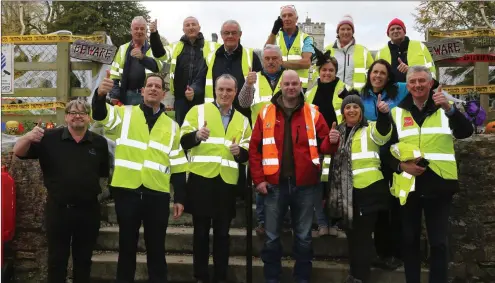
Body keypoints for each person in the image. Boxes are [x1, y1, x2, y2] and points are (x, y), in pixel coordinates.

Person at [93, 72, 188, 283]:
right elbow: (100, 114)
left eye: (158, 86)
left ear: (163, 94)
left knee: (157, 248)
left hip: (157, 194)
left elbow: (179, 165)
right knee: (127, 246)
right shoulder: (124, 114)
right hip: (127, 191)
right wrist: (100, 96)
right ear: (142, 91)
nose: (153, 88)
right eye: (149, 85)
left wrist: (180, 197)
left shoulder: (173, 127)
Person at [384, 66, 473, 283]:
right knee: (409, 240)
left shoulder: (444, 108)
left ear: (431, 83)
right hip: (409, 185)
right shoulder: (397, 112)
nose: (417, 85)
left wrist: (450, 110)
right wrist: (401, 167)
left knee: (438, 243)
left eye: (422, 81)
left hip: (440, 184)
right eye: (412, 81)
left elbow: (466, 132)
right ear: (408, 85)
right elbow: (386, 151)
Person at [249, 70, 338, 283]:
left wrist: (333, 140)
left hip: (306, 185)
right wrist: (259, 179)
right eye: (287, 83)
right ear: (281, 85)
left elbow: (325, 145)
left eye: (294, 84)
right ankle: (272, 279)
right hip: (273, 185)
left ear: (300, 86)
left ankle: (302, 279)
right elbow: (255, 149)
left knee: (304, 238)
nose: (291, 87)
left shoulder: (313, 112)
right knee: (271, 238)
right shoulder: (265, 112)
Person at [13, 99, 109, 283]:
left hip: (88, 211)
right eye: (73, 112)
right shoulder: (49, 138)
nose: (77, 116)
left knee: (84, 260)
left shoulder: (99, 143)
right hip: (58, 210)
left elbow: (103, 175)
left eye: (82, 112)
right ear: (66, 117)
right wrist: (27, 137)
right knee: (57, 259)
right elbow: (19, 152)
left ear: (88, 118)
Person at [180, 74, 251, 283]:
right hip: (200, 180)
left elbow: (248, 153)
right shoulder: (197, 110)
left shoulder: (243, 120)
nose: (225, 93)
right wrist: (196, 136)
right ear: (215, 90)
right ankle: (200, 276)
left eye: (229, 90)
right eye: (221, 89)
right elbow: (182, 141)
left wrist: (240, 152)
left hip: (226, 183)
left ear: (235, 93)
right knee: (200, 233)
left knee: (222, 235)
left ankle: (221, 276)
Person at [327, 91, 392, 283]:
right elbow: (328, 157)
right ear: (343, 111)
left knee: (362, 238)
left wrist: (382, 115)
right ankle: (355, 275)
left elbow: (383, 134)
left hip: (369, 191)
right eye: (348, 107)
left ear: (362, 112)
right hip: (346, 194)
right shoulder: (337, 132)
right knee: (352, 238)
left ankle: (359, 277)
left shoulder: (371, 128)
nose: (352, 109)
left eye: (356, 106)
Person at [238, 44, 286, 235]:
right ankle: (262, 222)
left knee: (283, 181)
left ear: (281, 60)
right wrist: (248, 85)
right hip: (260, 139)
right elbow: (243, 103)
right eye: (267, 58)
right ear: (262, 60)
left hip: (284, 138)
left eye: (275, 58)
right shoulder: (253, 78)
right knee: (260, 181)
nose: (271, 61)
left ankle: (283, 222)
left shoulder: (289, 77)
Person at [304, 46, 349, 237]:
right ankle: (322, 223)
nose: (327, 73)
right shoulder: (311, 92)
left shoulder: (344, 90)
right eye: (324, 70)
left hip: (339, 143)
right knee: (317, 184)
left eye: (331, 70)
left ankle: (335, 223)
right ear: (319, 71)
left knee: (336, 184)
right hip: (317, 145)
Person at [149, 16, 218, 125]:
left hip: (202, 98)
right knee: (181, 129)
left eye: (193, 24)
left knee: (201, 130)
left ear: (199, 27)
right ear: (183, 29)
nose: (191, 27)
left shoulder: (211, 46)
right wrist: (154, 34)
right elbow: (160, 54)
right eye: (187, 25)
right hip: (181, 99)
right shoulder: (175, 46)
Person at [204, 19, 263, 122]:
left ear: (240, 34)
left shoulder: (251, 56)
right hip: (215, 113)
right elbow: (200, 81)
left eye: (234, 33)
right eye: (226, 33)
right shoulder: (211, 57)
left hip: (243, 114)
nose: (230, 36)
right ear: (221, 35)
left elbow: (262, 85)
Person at [109, 16, 163, 106]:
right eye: (136, 28)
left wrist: (143, 57)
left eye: (142, 29)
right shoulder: (123, 48)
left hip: (148, 95)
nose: (139, 31)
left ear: (146, 31)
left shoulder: (153, 49)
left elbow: (157, 67)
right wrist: (114, 95)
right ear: (131, 31)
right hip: (127, 94)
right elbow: (114, 74)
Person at [266, 5, 314, 90]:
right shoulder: (275, 36)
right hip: (278, 86)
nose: (287, 18)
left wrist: (281, 63)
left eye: (290, 15)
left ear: (296, 18)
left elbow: (306, 63)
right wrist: (273, 31)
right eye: (284, 16)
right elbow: (265, 54)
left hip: (299, 87)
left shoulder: (306, 38)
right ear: (280, 20)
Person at [375, 18, 436, 83]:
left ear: (404, 31)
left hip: (418, 89)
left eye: (398, 28)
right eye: (392, 29)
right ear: (388, 34)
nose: (395, 31)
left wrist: (411, 71)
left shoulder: (420, 46)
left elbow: (431, 70)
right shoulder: (380, 53)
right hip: (390, 91)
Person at [323, 15, 374, 90]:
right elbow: (319, 73)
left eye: (348, 29)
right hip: (331, 94)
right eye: (342, 29)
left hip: (356, 96)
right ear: (338, 31)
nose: (345, 32)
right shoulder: (327, 50)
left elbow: (373, 74)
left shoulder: (364, 51)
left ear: (352, 32)